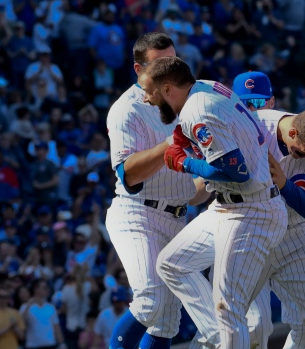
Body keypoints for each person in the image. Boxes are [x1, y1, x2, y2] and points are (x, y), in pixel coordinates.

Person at [141, 57, 287, 349]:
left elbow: (238, 173)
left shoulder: (199, 110)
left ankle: (224, 337)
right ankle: (216, 337)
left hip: (251, 209)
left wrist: (185, 163)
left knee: (228, 306)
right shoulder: (205, 86)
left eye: (150, 91)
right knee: (172, 264)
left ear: (168, 89)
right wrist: (189, 140)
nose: (146, 98)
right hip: (229, 204)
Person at [237, 71, 305, 348]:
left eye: (258, 103)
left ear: (272, 100)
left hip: (296, 234)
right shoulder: (250, 127)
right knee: (250, 327)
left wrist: (285, 185)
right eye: (246, 104)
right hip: (248, 231)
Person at [105, 33, 200, 349]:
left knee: (167, 321)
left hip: (177, 216)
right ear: (138, 69)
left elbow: (190, 189)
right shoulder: (127, 109)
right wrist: (169, 144)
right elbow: (128, 174)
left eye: (174, 61)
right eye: (160, 63)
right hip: (138, 213)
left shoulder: (186, 100)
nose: (169, 69)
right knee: (149, 300)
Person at [20, 279, 67, 349]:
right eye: (44, 288)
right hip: (33, 346)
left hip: (50, 345)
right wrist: (28, 305)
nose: (47, 290)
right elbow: (21, 323)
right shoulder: (25, 307)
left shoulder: (51, 307)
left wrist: (62, 343)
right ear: (36, 289)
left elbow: (56, 327)